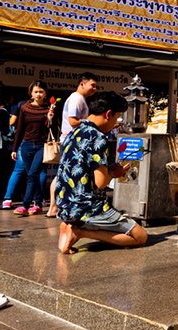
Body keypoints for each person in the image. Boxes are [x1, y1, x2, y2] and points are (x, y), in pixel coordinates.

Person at [56, 91, 148, 254]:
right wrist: (114, 174)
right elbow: (101, 183)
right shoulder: (98, 137)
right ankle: (80, 231)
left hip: (65, 205)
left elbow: (80, 169)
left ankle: (70, 224)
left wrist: (108, 169)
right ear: (108, 114)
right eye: (116, 119)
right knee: (140, 237)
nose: (115, 124)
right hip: (88, 207)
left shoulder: (73, 132)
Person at [46, 72, 98, 218]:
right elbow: (73, 121)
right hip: (71, 142)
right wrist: (92, 122)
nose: (94, 89)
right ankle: (53, 208)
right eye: (92, 85)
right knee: (61, 175)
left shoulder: (79, 99)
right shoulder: (76, 99)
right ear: (82, 84)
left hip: (71, 141)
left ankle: (54, 208)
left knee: (62, 174)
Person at [10, 82, 56, 215]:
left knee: (33, 174)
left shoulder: (50, 107)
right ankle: (38, 204)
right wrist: (15, 148)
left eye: (41, 92)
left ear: (46, 93)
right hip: (26, 145)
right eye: (36, 92)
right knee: (32, 175)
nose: (38, 94)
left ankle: (25, 205)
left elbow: (54, 129)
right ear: (31, 92)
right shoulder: (24, 107)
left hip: (43, 145)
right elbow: (19, 129)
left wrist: (51, 118)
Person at [1, 98, 31, 209]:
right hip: (39, 141)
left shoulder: (21, 104)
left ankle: (7, 199)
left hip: (23, 140)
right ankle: (39, 200)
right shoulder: (46, 105)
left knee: (18, 171)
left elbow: (12, 122)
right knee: (37, 172)